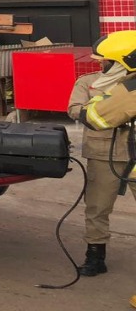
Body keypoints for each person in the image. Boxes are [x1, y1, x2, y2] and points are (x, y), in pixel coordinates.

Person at [70, 30, 136, 279]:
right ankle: (95, 256)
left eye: (105, 60)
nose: (101, 63)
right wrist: (109, 110)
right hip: (102, 151)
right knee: (97, 207)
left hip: (133, 154)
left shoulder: (130, 86)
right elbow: (76, 110)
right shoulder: (88, 82)